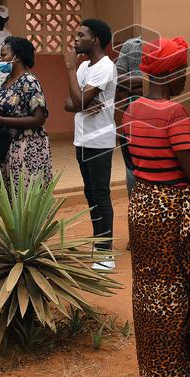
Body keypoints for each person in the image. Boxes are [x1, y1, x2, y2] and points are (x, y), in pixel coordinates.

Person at [121, 36, 190, 377]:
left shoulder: (132, 110)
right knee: (173, 300)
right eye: (185, 71)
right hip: (167, 212)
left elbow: (138, 159)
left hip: (142, 204)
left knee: (148, 296)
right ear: (174, 72)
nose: (186, 78)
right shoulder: (174, 113)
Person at [65, 19, 118, 267]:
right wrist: (80, 103)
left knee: (100, 193)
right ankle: (99, 242)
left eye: (80, 35)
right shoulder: (85, 65)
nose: (75, 39)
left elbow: (79, 102)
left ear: (95, 40)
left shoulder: (104, 67)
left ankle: (105, 252)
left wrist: (68, 69)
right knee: (89, 193)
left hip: (99, 141)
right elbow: (70, 102)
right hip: (82, 139)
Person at [0, 37, 52, 188]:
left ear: (17, 57)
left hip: (26, 149)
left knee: (24, 198)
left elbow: (38, 119)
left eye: (4, 55)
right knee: (8, 199)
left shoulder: (29, 82)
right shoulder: (7, 81)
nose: (0, 59)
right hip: (5, 148)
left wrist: (1, 121)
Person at [115, 35, 144, 197]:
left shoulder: (168, 43)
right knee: (132, 170)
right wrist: (147, 81)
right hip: (132, 119)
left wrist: (131, 82)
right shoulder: (131, 44)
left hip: (158, 119)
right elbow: (117, 80)